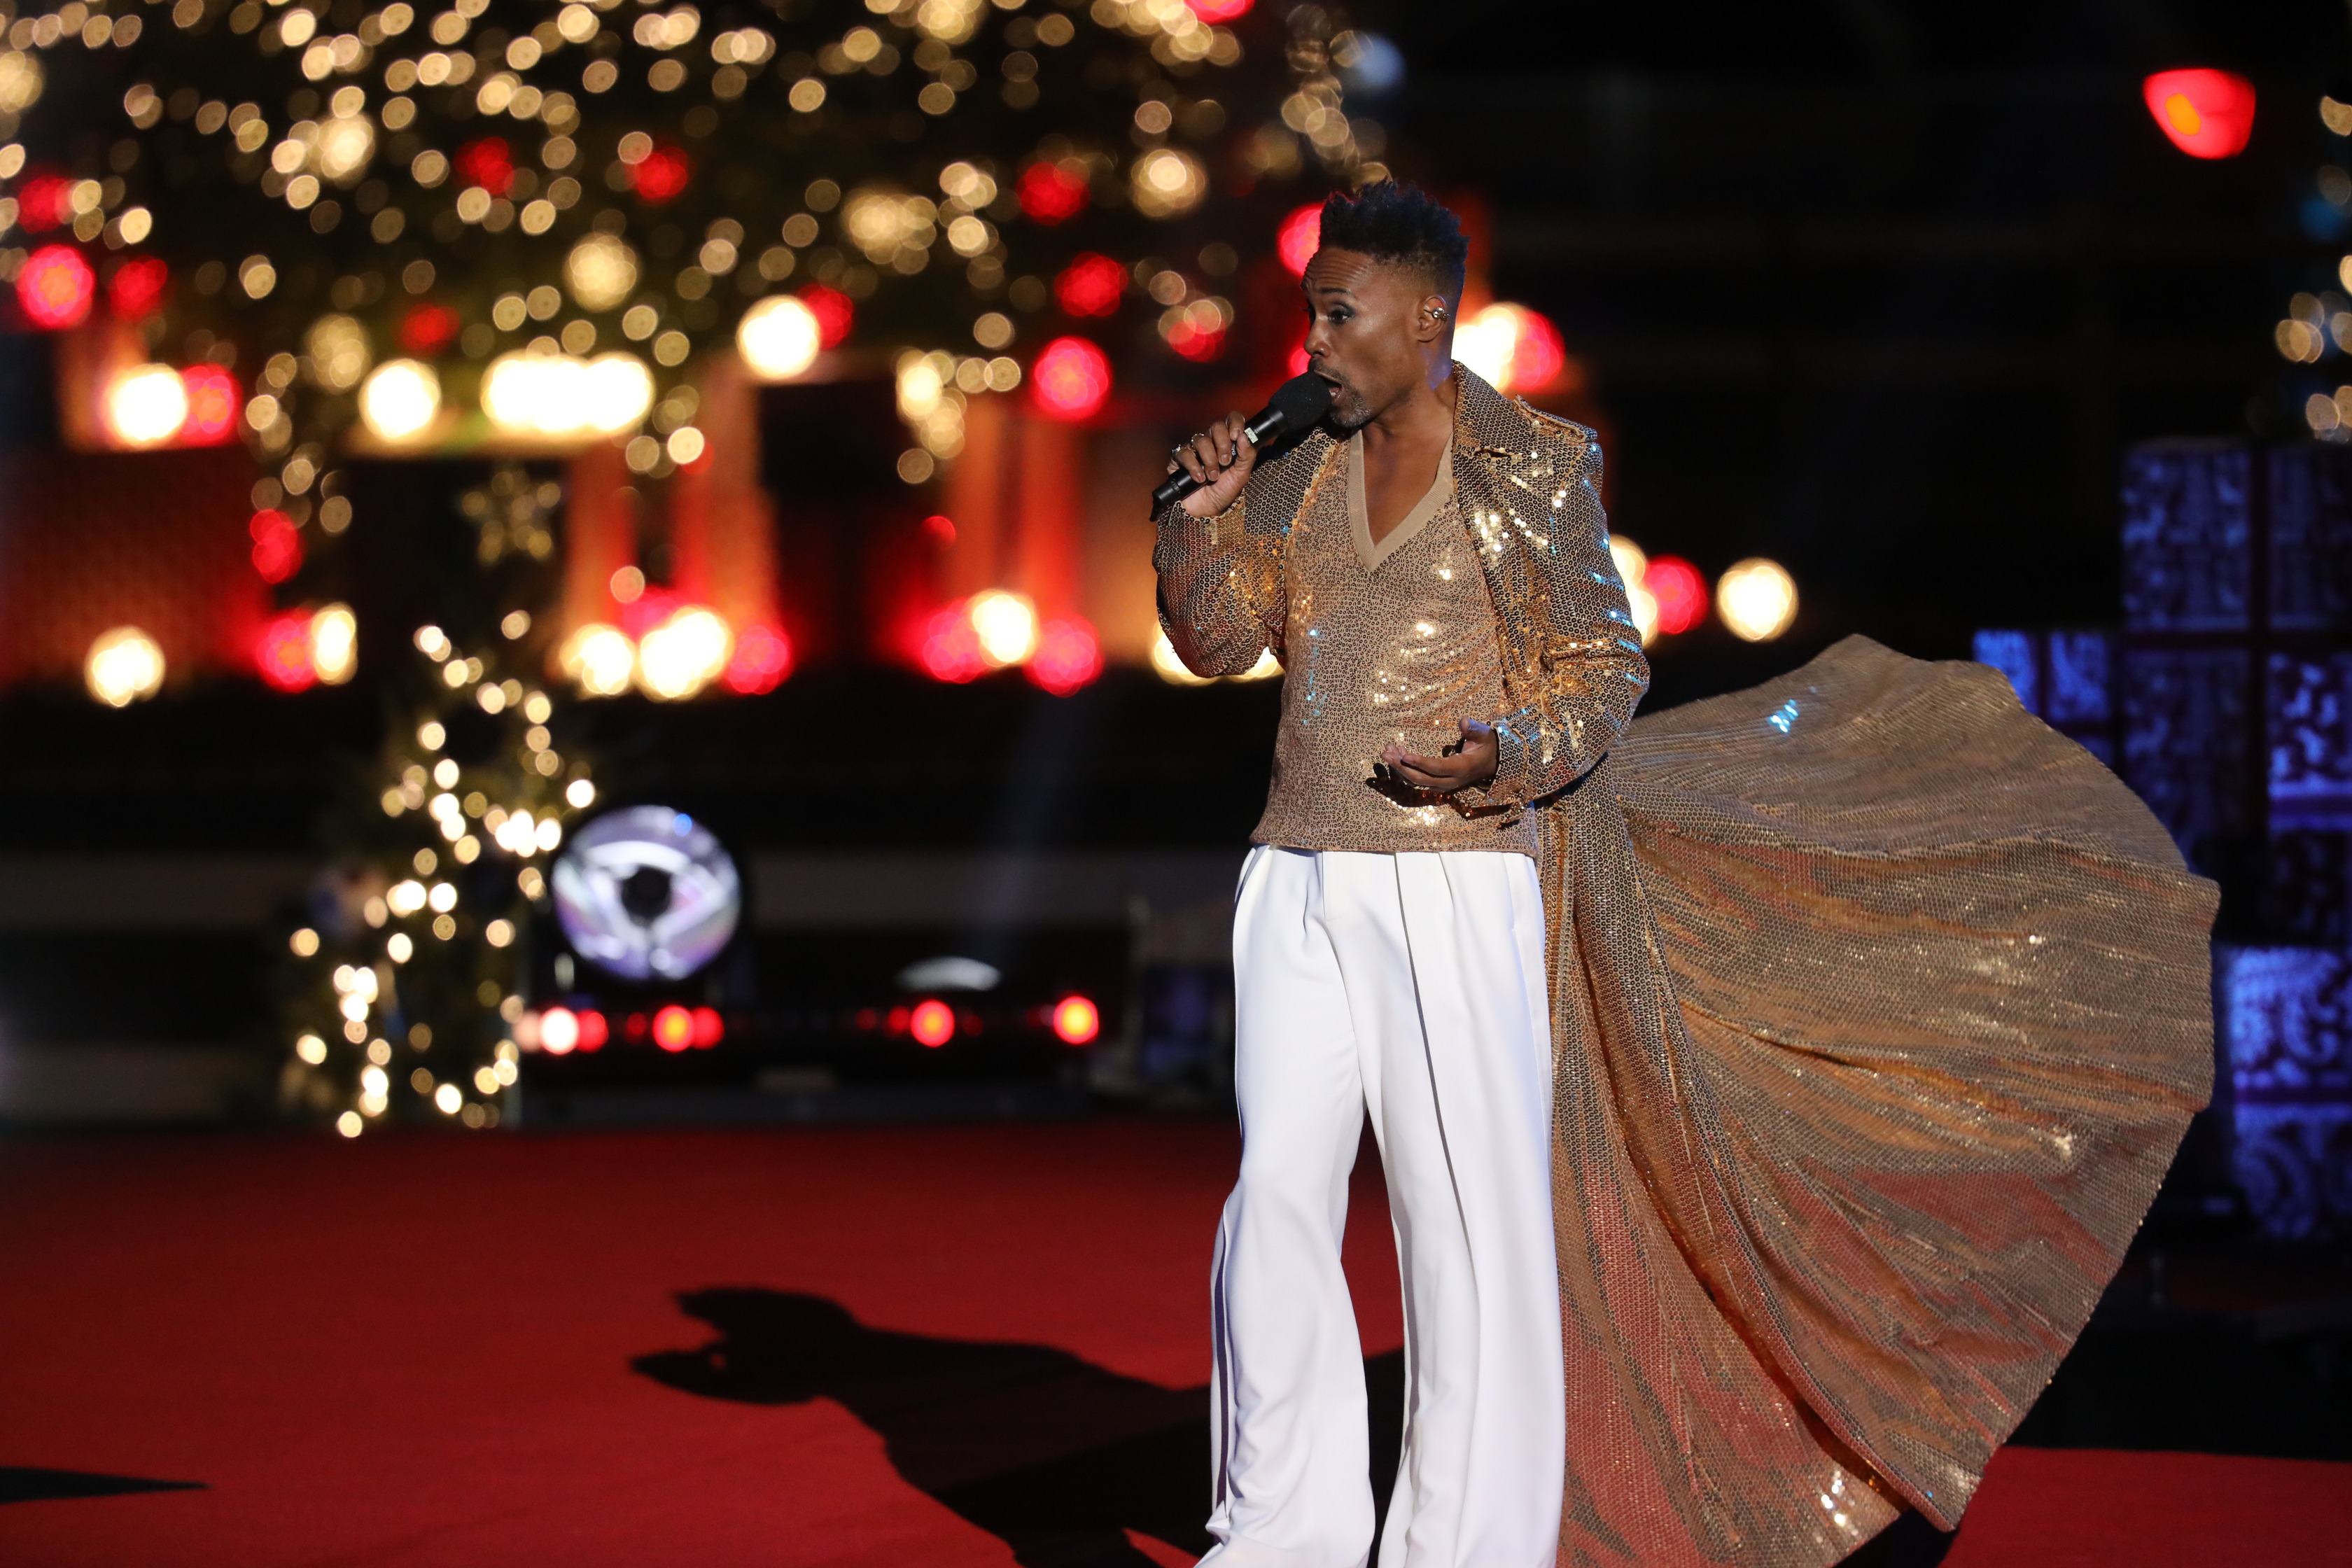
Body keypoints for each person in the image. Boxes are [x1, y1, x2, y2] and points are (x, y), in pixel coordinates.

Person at [1154, 181, 2217, 1568]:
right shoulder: (1291, 465)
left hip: (1460, 870)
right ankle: (1275, 1535)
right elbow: (1220, 644)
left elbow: (1604, 670)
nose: (1316, 342)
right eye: (1311, 313)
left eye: (1341, 315)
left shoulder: (1531, 464)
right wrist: (1196, 521)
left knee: (1463, 1231)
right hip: (1295, 868)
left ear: (1425, 317)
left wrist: (1506, 750)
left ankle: (1462, 1550)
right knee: (1277, 1199)